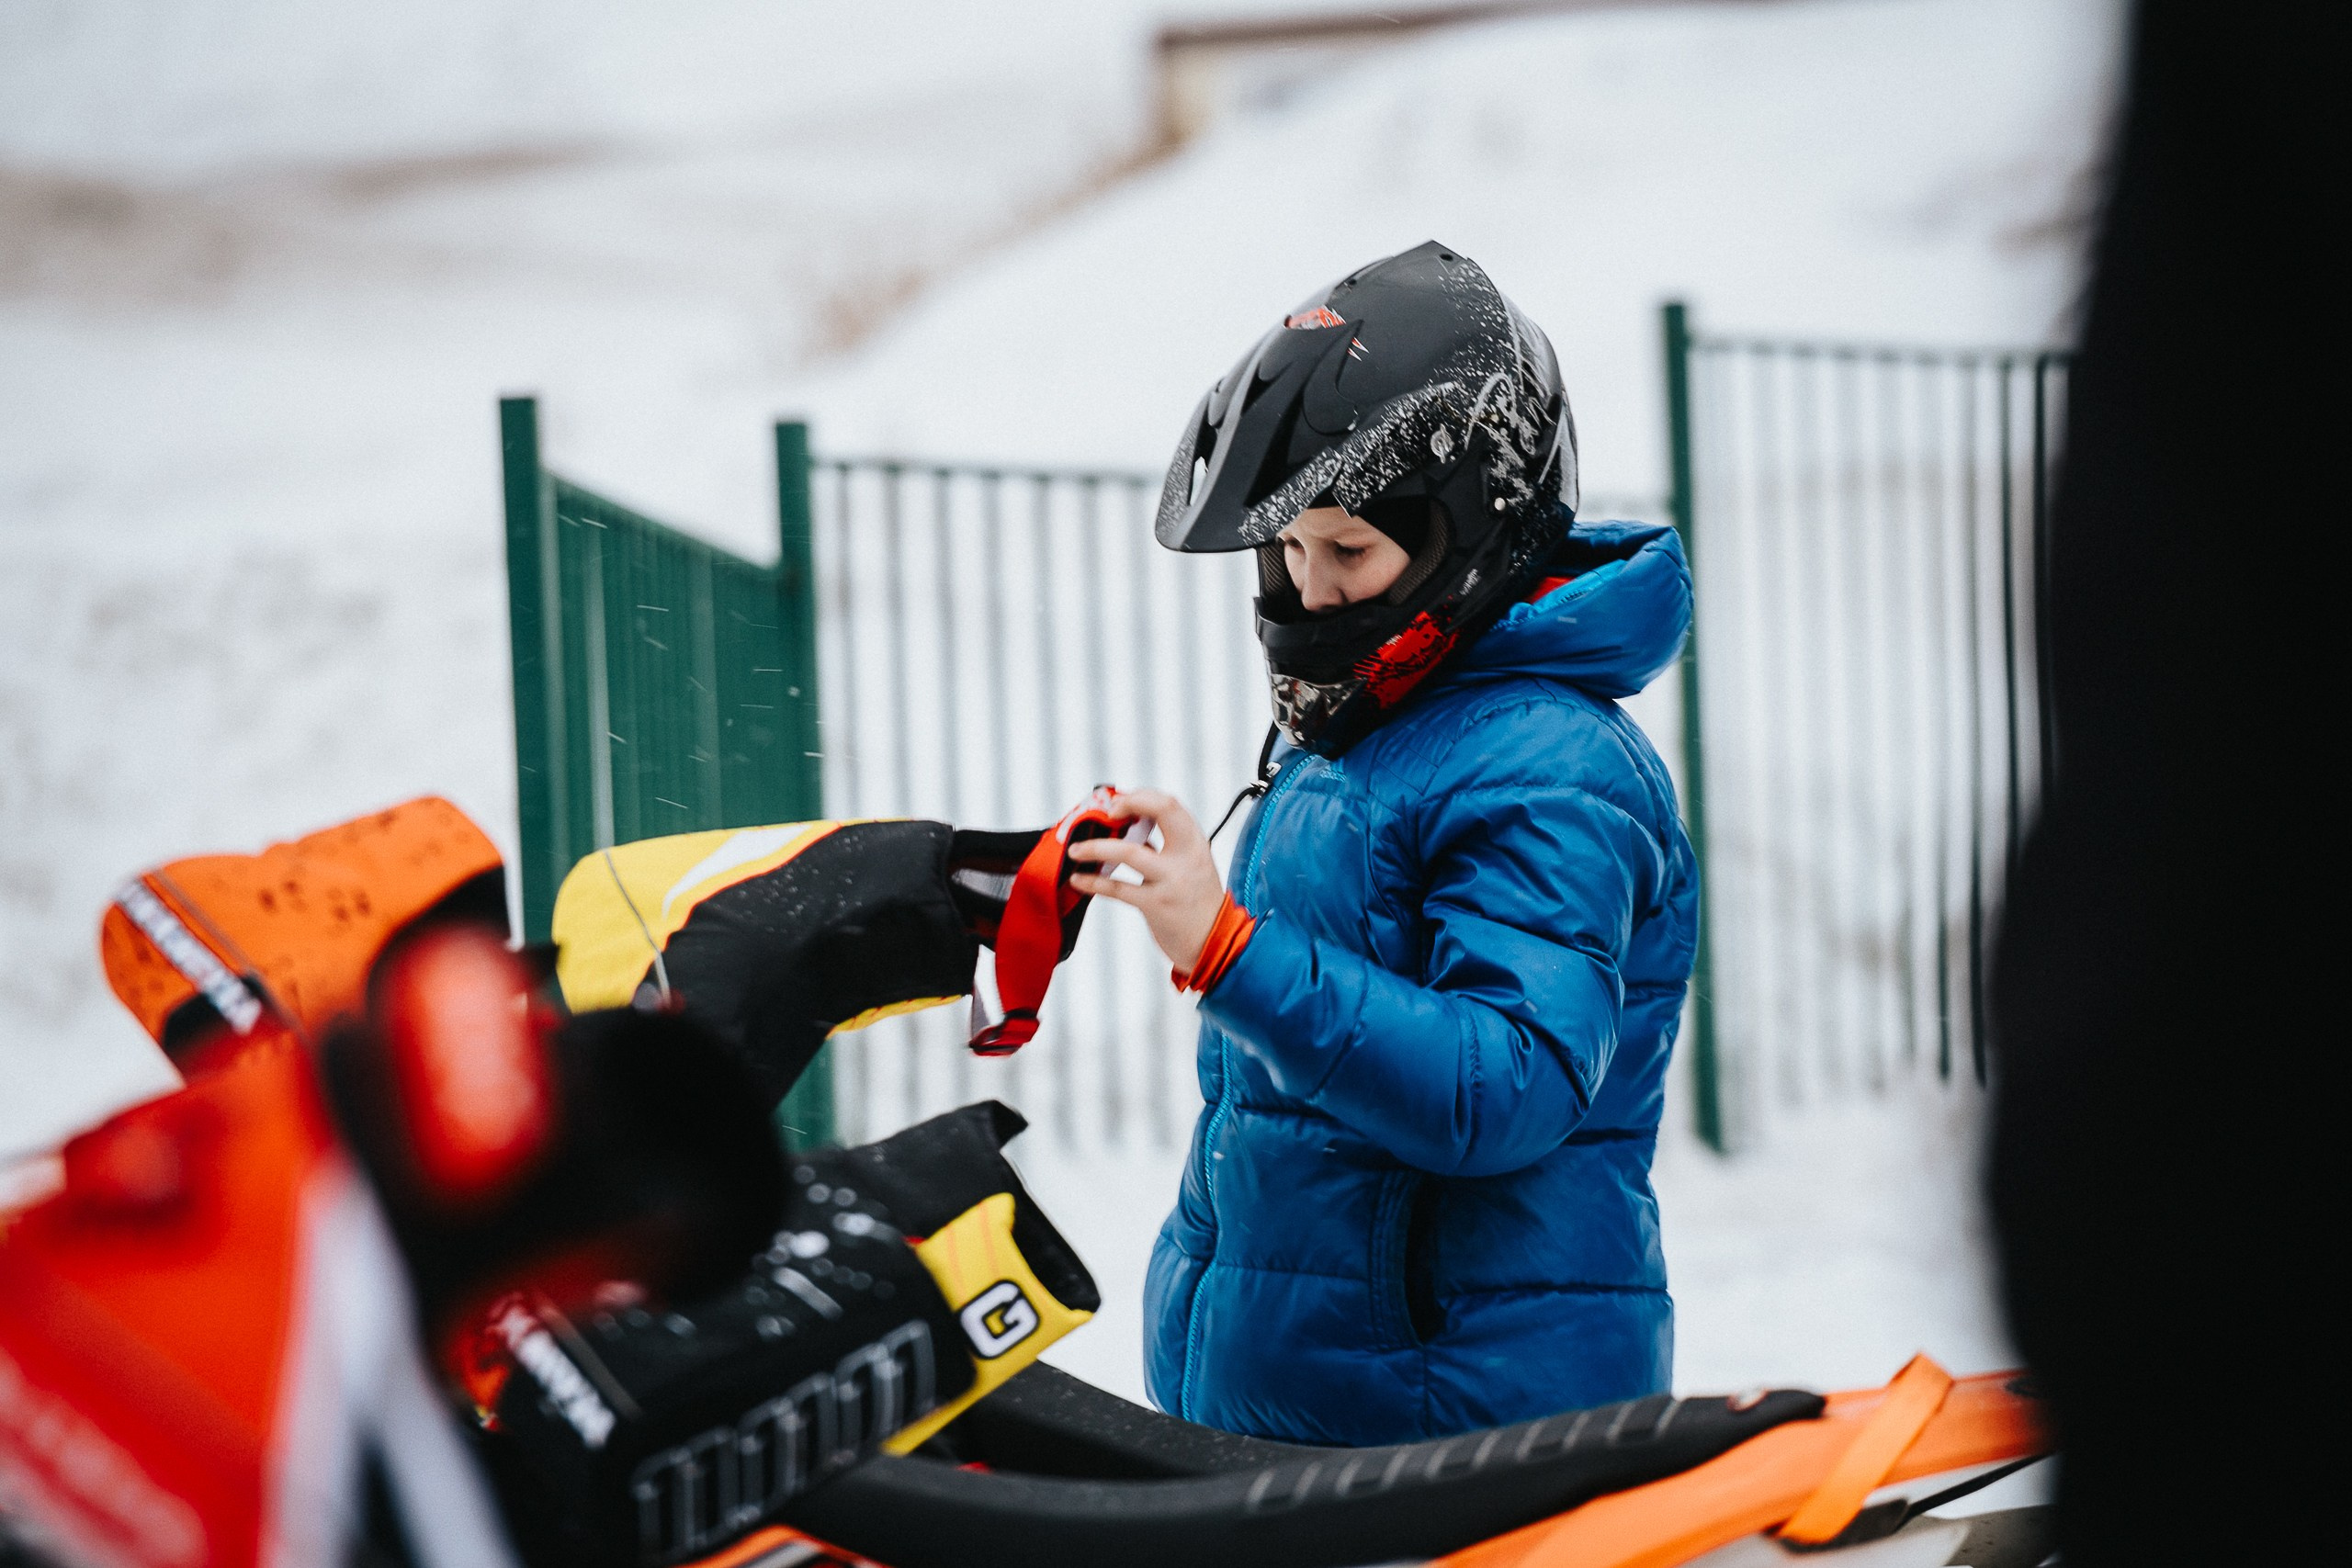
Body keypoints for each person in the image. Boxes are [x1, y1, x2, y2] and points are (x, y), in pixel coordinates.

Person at [1067, 242, 1699, 1445]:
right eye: (1288, 551)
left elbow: (1507, 1084)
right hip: (1322, 1416)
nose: (1308, 592)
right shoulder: (1370, 730)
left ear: (1469, 535)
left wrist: (1232, 951)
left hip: (1468, 1430)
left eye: (1347, 550)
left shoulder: (1549, 766)